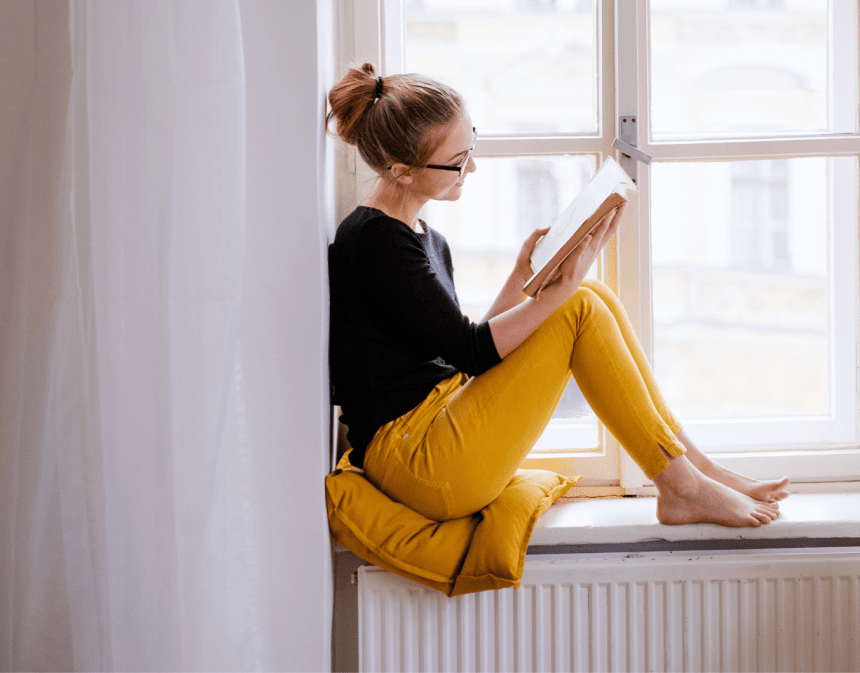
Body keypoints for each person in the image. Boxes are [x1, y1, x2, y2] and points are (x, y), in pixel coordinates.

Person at [326, 63, 788, 529]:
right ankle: (682, 487)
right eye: (459, 160)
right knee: (578, 304)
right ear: (402, 171)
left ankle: (697, 469)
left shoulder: (421, 236)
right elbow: (470, 351)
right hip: (417, 464)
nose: (472, 168)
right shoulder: (375, 240)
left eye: (472, 148)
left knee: (591, 293)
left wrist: (521, 275)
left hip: (432, 430)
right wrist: (555, 294)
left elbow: (459, 353)